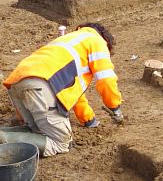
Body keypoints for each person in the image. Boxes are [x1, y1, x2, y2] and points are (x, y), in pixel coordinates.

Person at [1, 23, 123, 157]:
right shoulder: (97, 42)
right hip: (40, 85)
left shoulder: (71, 40)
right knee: (61, 143)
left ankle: (5, 134)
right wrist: (115, 106)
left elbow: (74, 94)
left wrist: (89, 120)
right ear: (106, 41)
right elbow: (106, 79)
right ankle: (2, 138)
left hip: (16, 82)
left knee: (39, 133)